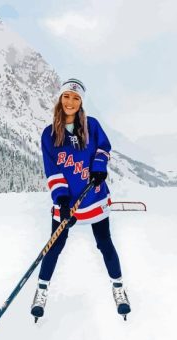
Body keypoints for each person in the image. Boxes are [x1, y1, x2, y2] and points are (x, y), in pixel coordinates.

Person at [31, 78, 131, 321]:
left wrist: (98, 166)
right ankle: (41, 290)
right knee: (54, 246)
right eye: (67, 96)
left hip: (93, 196)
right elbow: (52, 169)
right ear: (60, 98)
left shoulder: (92, 126)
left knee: (105, 243)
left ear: (81, 102)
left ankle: (118, 287)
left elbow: (104, 147)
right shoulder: (49, 134)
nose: (70, 102)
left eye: (76, 98)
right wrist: (63, 201)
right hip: (66, 202)